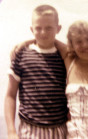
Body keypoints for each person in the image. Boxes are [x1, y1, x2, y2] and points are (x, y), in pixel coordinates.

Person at [4, 4, 68, 139]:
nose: (43, 32)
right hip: (30, 130)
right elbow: (10, 95)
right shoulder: (21, 55)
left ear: (58, 29)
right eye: (38, 28)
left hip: (60, 129)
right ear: (32, 29)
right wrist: (10, 130)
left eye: (49, 28)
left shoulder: (64, 57)